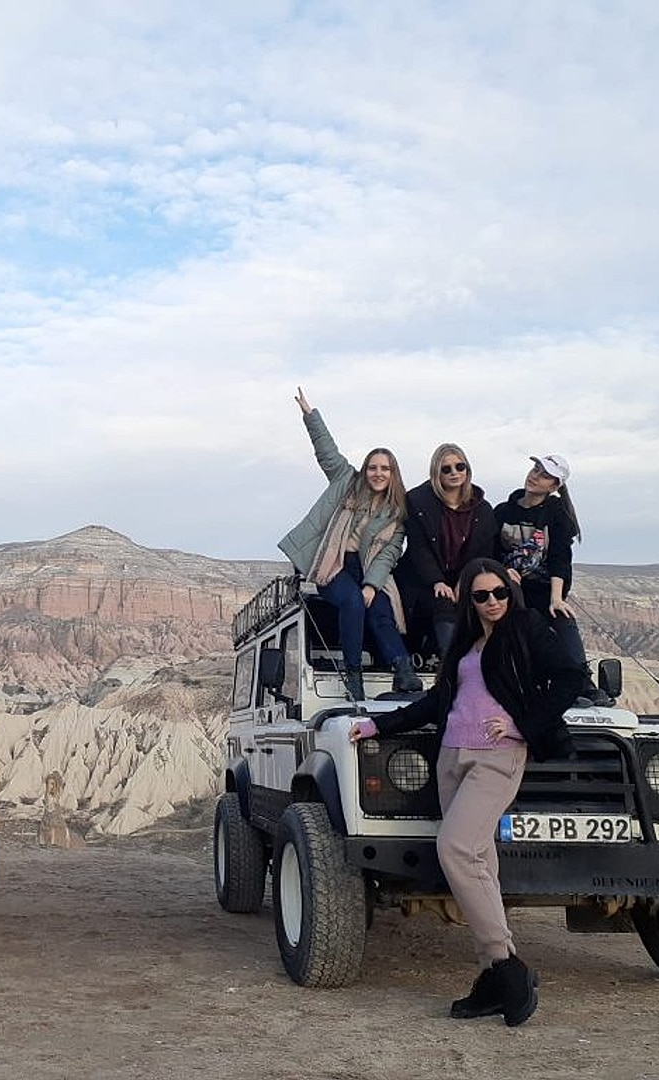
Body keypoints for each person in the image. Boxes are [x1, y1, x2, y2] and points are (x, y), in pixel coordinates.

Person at [349, 557, 584, 1026]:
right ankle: (493, 974)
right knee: (480, 864)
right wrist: (379, 724)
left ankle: (508, 968)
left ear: (509, 594)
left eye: (499, 593)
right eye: (481, 595)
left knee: (455, 848)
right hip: (451, 760)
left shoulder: (525, 628)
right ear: (468, 600)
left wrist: (521, 724)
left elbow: (571, 676)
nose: (492, 601)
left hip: (497, 758)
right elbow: (440, 701)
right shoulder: (466, 642)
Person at [279, 388, 421, 699]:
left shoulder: (396, 512)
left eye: (385, 469)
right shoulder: (346, 481)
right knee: (353, 602)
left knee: (381, 609)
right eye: (373, 467)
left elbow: (389, 553)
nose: (378, 473)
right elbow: (327, 452)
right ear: (365, 469)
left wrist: (372, 585)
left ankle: (403, 669)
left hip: (369, 570)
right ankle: (353, 674)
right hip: (334, 564)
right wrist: (310, 416)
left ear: (393, 474)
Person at [492, 453, 605, 701]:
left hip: (542, 589)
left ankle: (580, 680)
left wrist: (556, 598)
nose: (535, 477)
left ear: (554, 486)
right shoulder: (502, 512)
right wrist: (502, 572)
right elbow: (488, 551)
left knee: (562, 618)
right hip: (505, 589)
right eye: (535, 469)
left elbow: (559, 558)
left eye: (544, 476)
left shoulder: (557, 516)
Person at [394, 443, 498, 662]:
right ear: (436, 473)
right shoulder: (417, 501)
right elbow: (418, 547)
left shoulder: (483, 509)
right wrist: (437, 580)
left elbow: (483, 552)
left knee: (481, 603)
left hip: (463, 577)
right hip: (422, 578)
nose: (454, 473)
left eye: (460, 466)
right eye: (446, 469)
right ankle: (450, 664)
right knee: (442, 602)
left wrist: (465, 580)